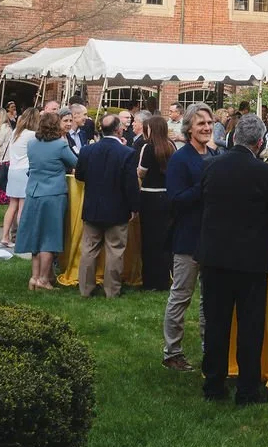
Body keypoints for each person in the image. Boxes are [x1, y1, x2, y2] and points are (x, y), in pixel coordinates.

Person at [197, 113, 268, 406]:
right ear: (260, 142)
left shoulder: (210, 165)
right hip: (250, 259)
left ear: (234, 137)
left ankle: (213, 384)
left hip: (215, 255)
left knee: (216, 322)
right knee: (250, 325)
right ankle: (248, 389)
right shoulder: (265, 173)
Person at [162, 104, 219, 372]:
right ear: (189, 128)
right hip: (187, 238)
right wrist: (202, 187)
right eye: (201, 124)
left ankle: (210, 349)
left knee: (210, 299)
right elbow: (175, 200)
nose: (207, 127)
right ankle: (172, 352)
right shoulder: (180, 159)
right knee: (181, 296)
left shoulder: (216, 155)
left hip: (212, 237)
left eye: (209, 123)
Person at [75, 114, 140, 299]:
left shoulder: (88, 150)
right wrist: (134, 207)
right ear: (119, 130)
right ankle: (112, 290)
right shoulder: (126, 153)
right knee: (115, 250)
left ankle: (85, 289)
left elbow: (79, 175)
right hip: (117, 209)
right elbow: (131, 184)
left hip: (93, 207)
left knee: (89, 249)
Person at [16, 112, 77, 290]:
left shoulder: (32, 144)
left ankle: (34, 277)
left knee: (36, 236)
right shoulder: (60, 145)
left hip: (33, 192)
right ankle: (44, 279)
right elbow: (76, 162)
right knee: (50, 238)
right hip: (53, 194)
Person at [138, 112, 177, 291]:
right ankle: (163, 279)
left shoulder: (148, 147)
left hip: (149, 196)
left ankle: (149, 281)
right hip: (167, 195)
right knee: (164, 240)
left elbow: (141, 172)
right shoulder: (171, 145)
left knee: (149, 240)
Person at [1, 106, 38, 248]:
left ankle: (5, 236)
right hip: (24, 171)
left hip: (13, 170)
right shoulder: (31, 135)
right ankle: (22, 239)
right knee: (23, 207)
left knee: (12, 206)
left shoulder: (16, 132)